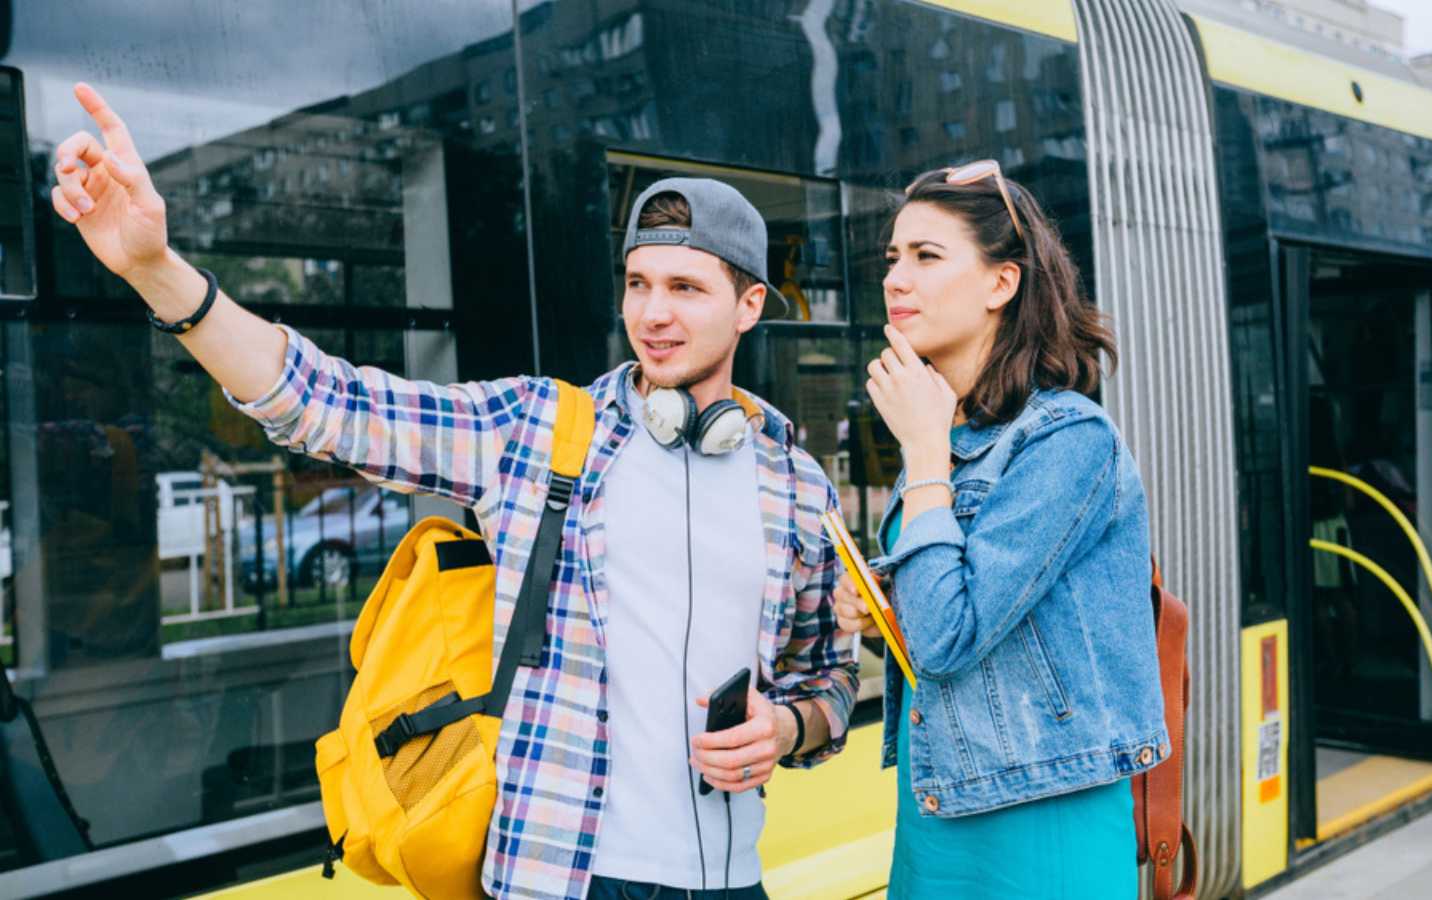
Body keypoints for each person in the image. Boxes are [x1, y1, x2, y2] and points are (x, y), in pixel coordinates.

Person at [50, 82, 857, 900]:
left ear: (751, 304)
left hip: (732, 883)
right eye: (638, 282)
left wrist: (788, 726)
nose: (651, 313)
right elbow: (326, 404)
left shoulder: (793, 482)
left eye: (686, 288)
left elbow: (827, 672)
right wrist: (157, 270)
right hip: (559, 879)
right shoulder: (542, 429)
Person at [835, 160, 1168, 898]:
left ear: (1000, 284)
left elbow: (954, 636)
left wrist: (921, 453)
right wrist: (879, 610)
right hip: (941, 800)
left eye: (926, 256)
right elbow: (944, 622)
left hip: (1043, 811)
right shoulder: (950, 433)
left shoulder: (1067, 438)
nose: (895, 278)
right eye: (892, 258)